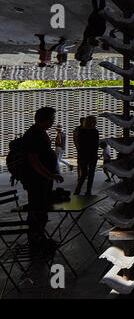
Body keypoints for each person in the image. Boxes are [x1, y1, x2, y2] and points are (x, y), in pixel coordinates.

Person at [23, 107, 63, 252]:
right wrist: (49, 175)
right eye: (52, 118)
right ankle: (35, 241)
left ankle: (39, 239)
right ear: (45, 119)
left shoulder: (39, 132)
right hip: (36, 181)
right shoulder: (34, 134)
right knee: (37, 209)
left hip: (41, 180)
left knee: (41, 209)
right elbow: (34, 160)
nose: (53, 121)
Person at [75, 0, 107, 66]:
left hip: (90, 37)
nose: (85, 62)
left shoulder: (80, 57)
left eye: (84, 63)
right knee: (98, 9)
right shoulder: (87, 58)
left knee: (98, 9)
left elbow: (80, 49)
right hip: (91, 36)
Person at [74, 116, 99, 195]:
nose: (95, 123)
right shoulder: (94, 131)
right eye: (94, 121)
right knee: (89, 174)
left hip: (83, 155)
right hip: (90, 155)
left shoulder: (81, 131)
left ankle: (78, 191)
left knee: (84, 174)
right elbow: (96, 145)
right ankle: (87, 191)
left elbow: (80, 142)